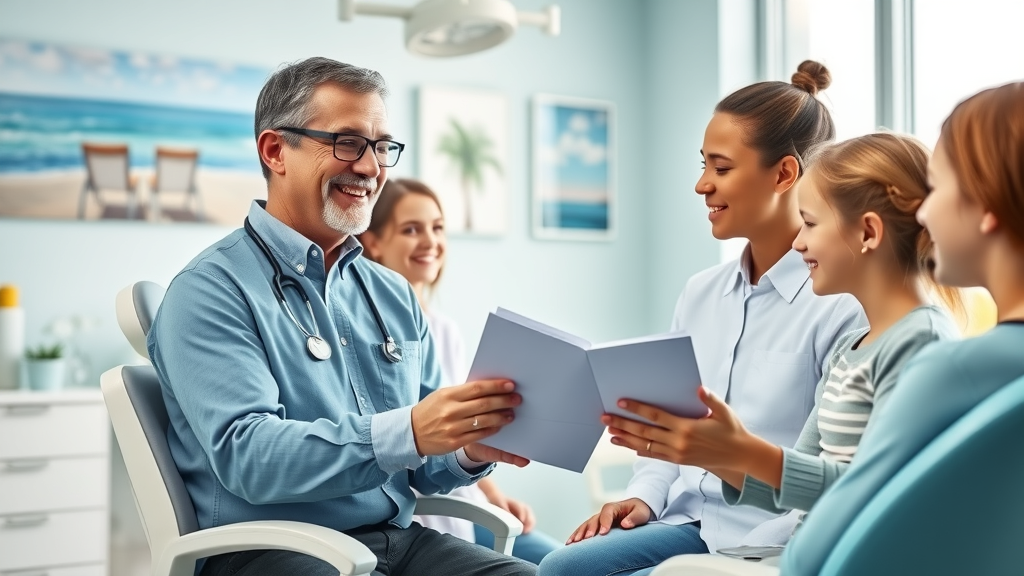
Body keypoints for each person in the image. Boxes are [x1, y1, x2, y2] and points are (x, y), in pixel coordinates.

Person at [148, 57, 537, 576]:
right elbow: (250, 459)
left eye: (381, 147)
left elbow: (423, 464)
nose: (371, 167)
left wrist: (468, 445)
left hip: (398, 544)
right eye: (348, 143)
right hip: (269, 552)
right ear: (275, 151)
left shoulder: (392, 293)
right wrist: (411, 432)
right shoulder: (210, 291)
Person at [537, 61, 867, 576]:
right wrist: (644, 499)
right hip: (687, 522)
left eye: (721, 167)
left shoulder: (841, 304)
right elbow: (671, 430)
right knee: (561, 568)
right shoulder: (701, 293)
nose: (701, 185)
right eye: (703, 165)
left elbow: (827, 473)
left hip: (769, 541)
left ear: (784, 174)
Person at [602, 132, 962, 533]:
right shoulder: (851, 347)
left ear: (868, 234)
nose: (798, 241)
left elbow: (881, 494)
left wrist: (745, 451)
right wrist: (716, 451)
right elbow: (794, 484)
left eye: (809, 223)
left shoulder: (920, 343)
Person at [778, 80, 1024, 576]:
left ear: (987, 204)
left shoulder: (952, 368)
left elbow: (811, 558)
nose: (925, 211)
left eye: (938, 187)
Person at [357, 177, 562, 564]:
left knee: (563, 560)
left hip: (465, 494)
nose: (430, 241)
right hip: (424, 510)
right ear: (374, 242)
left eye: (437, 228)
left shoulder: (445, 330)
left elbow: (459, 434)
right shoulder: (365, 335)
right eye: (411, 229)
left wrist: (494, 495)